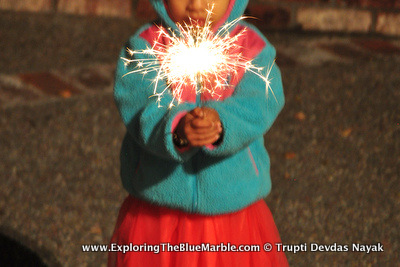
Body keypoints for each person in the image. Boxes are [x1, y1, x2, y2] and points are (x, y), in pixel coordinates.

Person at [108, 0, 289, 266]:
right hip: (159, 209)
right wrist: (176, 129)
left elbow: (261, 100)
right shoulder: (145, 47)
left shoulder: (250, 47)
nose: (195, 5)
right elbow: (140, 103)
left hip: (232, 208)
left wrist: (222, 123)